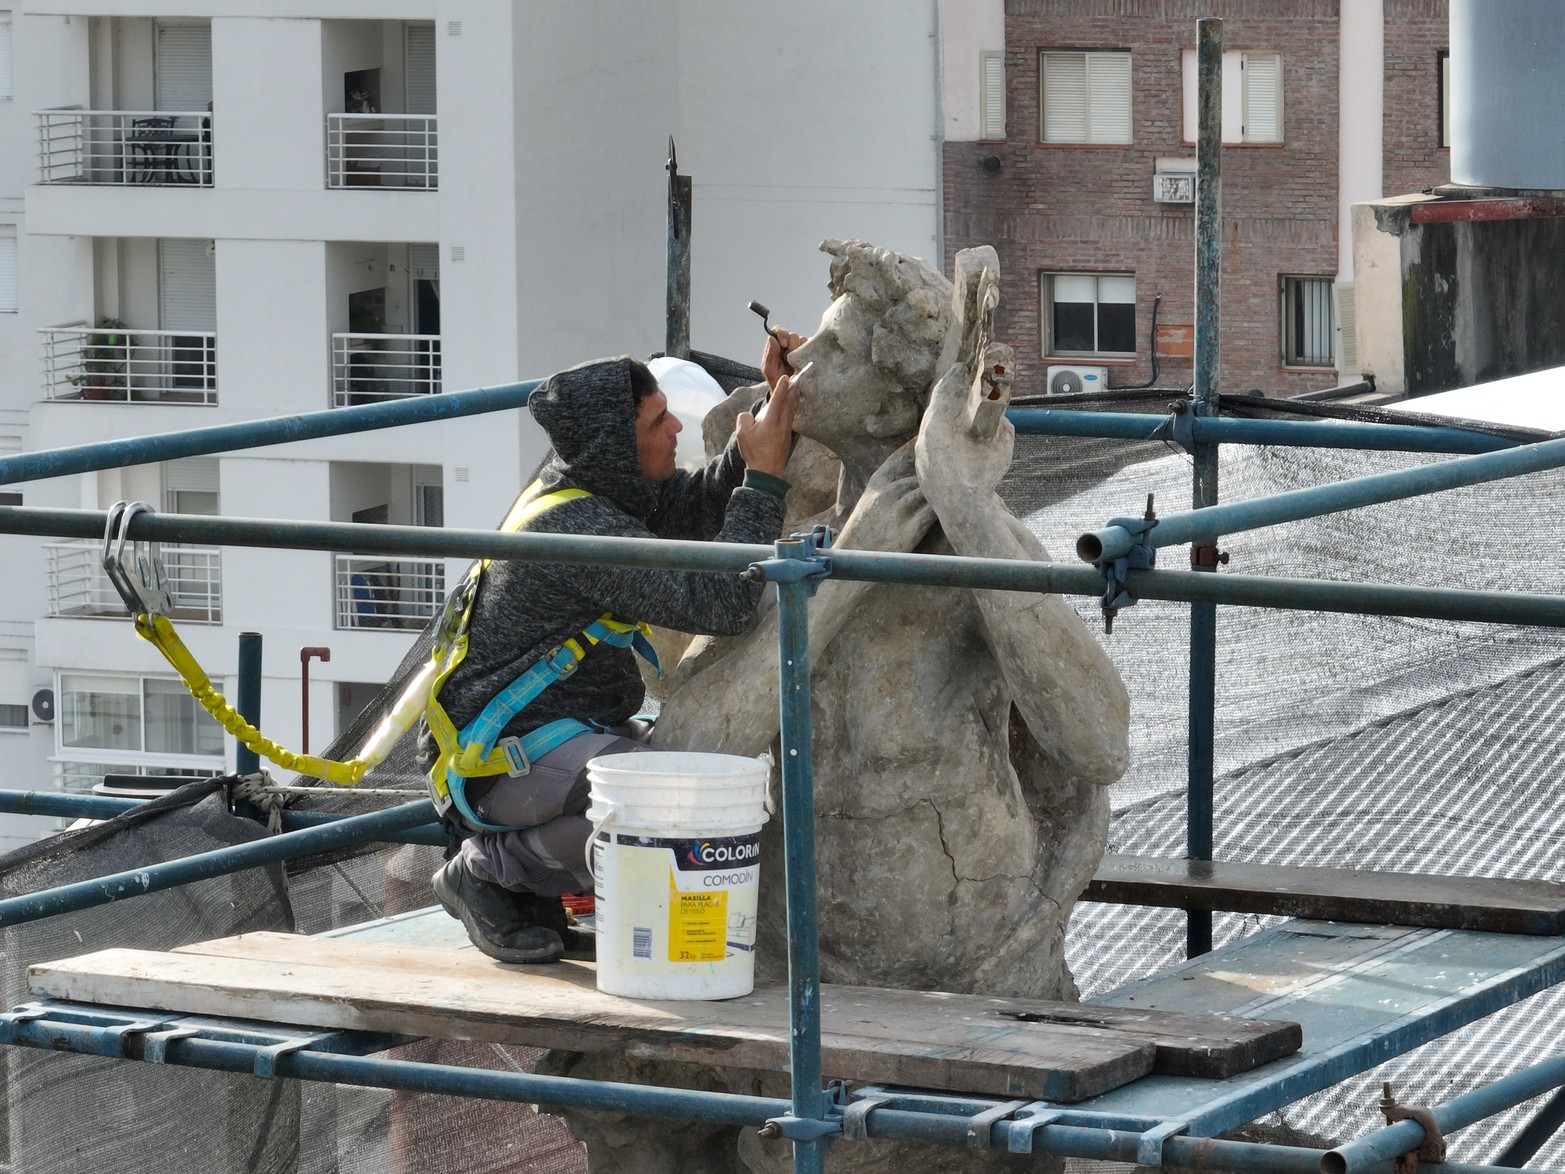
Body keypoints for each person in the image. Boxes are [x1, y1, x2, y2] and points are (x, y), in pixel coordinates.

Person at [544, 242, 1131, 1174]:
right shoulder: (788, 544)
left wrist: (962, 497)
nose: (798, 370)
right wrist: (847, 568)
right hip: (784, 964)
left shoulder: (976, 549)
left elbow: (1096, 745)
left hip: (961, 969)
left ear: (903, 396)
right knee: (612, 1099)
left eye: (835, 355)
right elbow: (693, 747)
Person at [426, 340, 803, 965]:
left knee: (674, 787)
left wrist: (764, 421)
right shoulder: (578, 529)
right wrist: (763, 479)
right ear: (614, 450)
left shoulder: (595, 492)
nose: (677, 426)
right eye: (658, 421)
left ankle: (525, 878)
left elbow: (691, 509)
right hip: (496, 761)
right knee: (664, 805)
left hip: (544, 739)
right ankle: (485, 871)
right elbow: (725, 606)